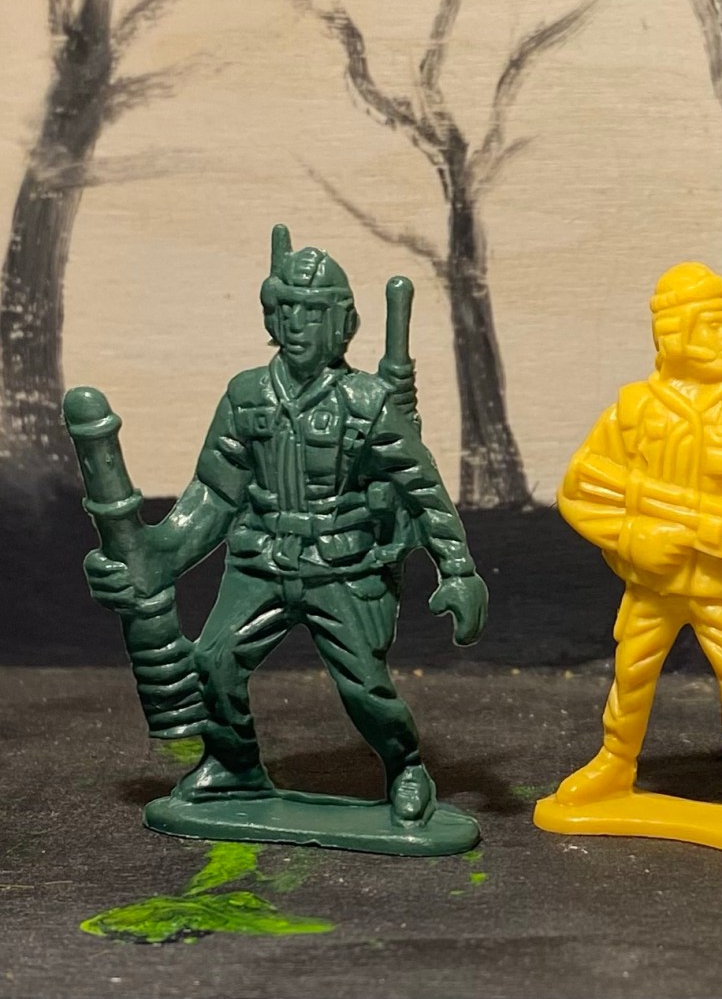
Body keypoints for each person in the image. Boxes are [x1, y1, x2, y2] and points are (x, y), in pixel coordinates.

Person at [85, 225, 487, 830]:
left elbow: (422, 488)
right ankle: (233, 765)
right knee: (213, 663)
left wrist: (457, 569)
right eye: (288, 309)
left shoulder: (366, 401)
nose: (298, 324)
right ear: (271, 316)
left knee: (365, 689)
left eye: (314, 311)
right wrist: (151, 558)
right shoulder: (247, 395)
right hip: (261, 563)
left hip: (343, 570)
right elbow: (215, 493)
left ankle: (406, 766)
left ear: (342, 324)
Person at [552, 262, 722, 836]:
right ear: (672, 335)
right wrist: (632, 537)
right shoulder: (634, 410)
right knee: (631, 677)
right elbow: (578, 491)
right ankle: (615, 764)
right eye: (710, 324)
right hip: (652, 584)